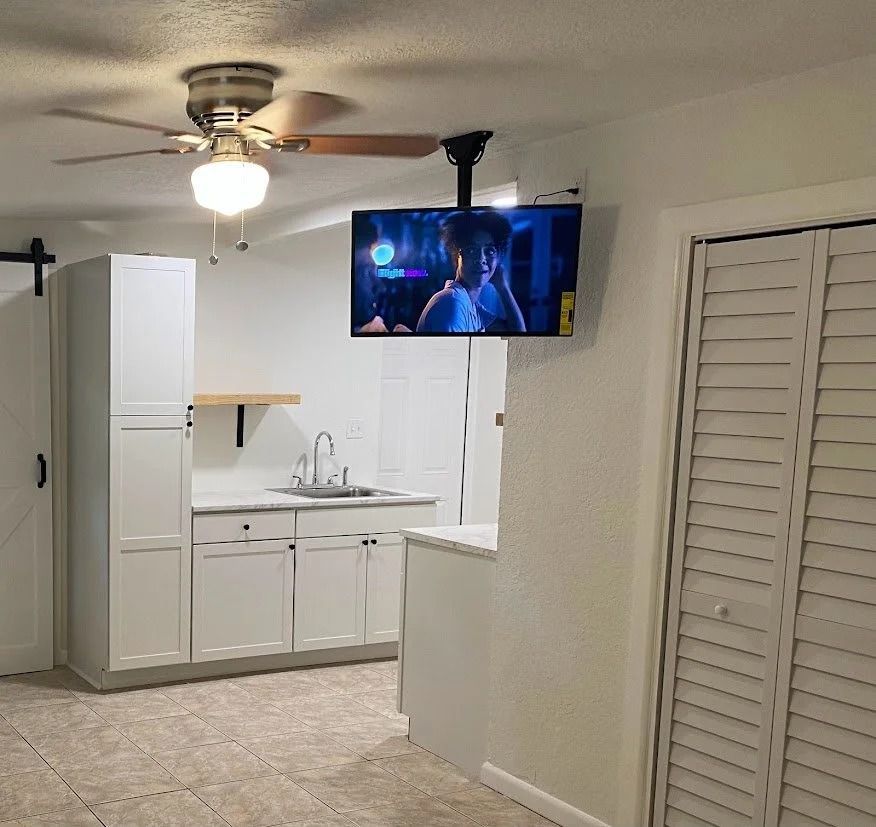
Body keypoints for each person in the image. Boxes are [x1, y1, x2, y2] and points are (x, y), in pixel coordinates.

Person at [416, 211, 526, 333]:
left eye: (490, 251)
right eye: (472, 250)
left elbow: (517, 335)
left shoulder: (472, 306)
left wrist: (503, 287)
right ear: (457, 255)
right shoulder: (453, 303)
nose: (481, 259)